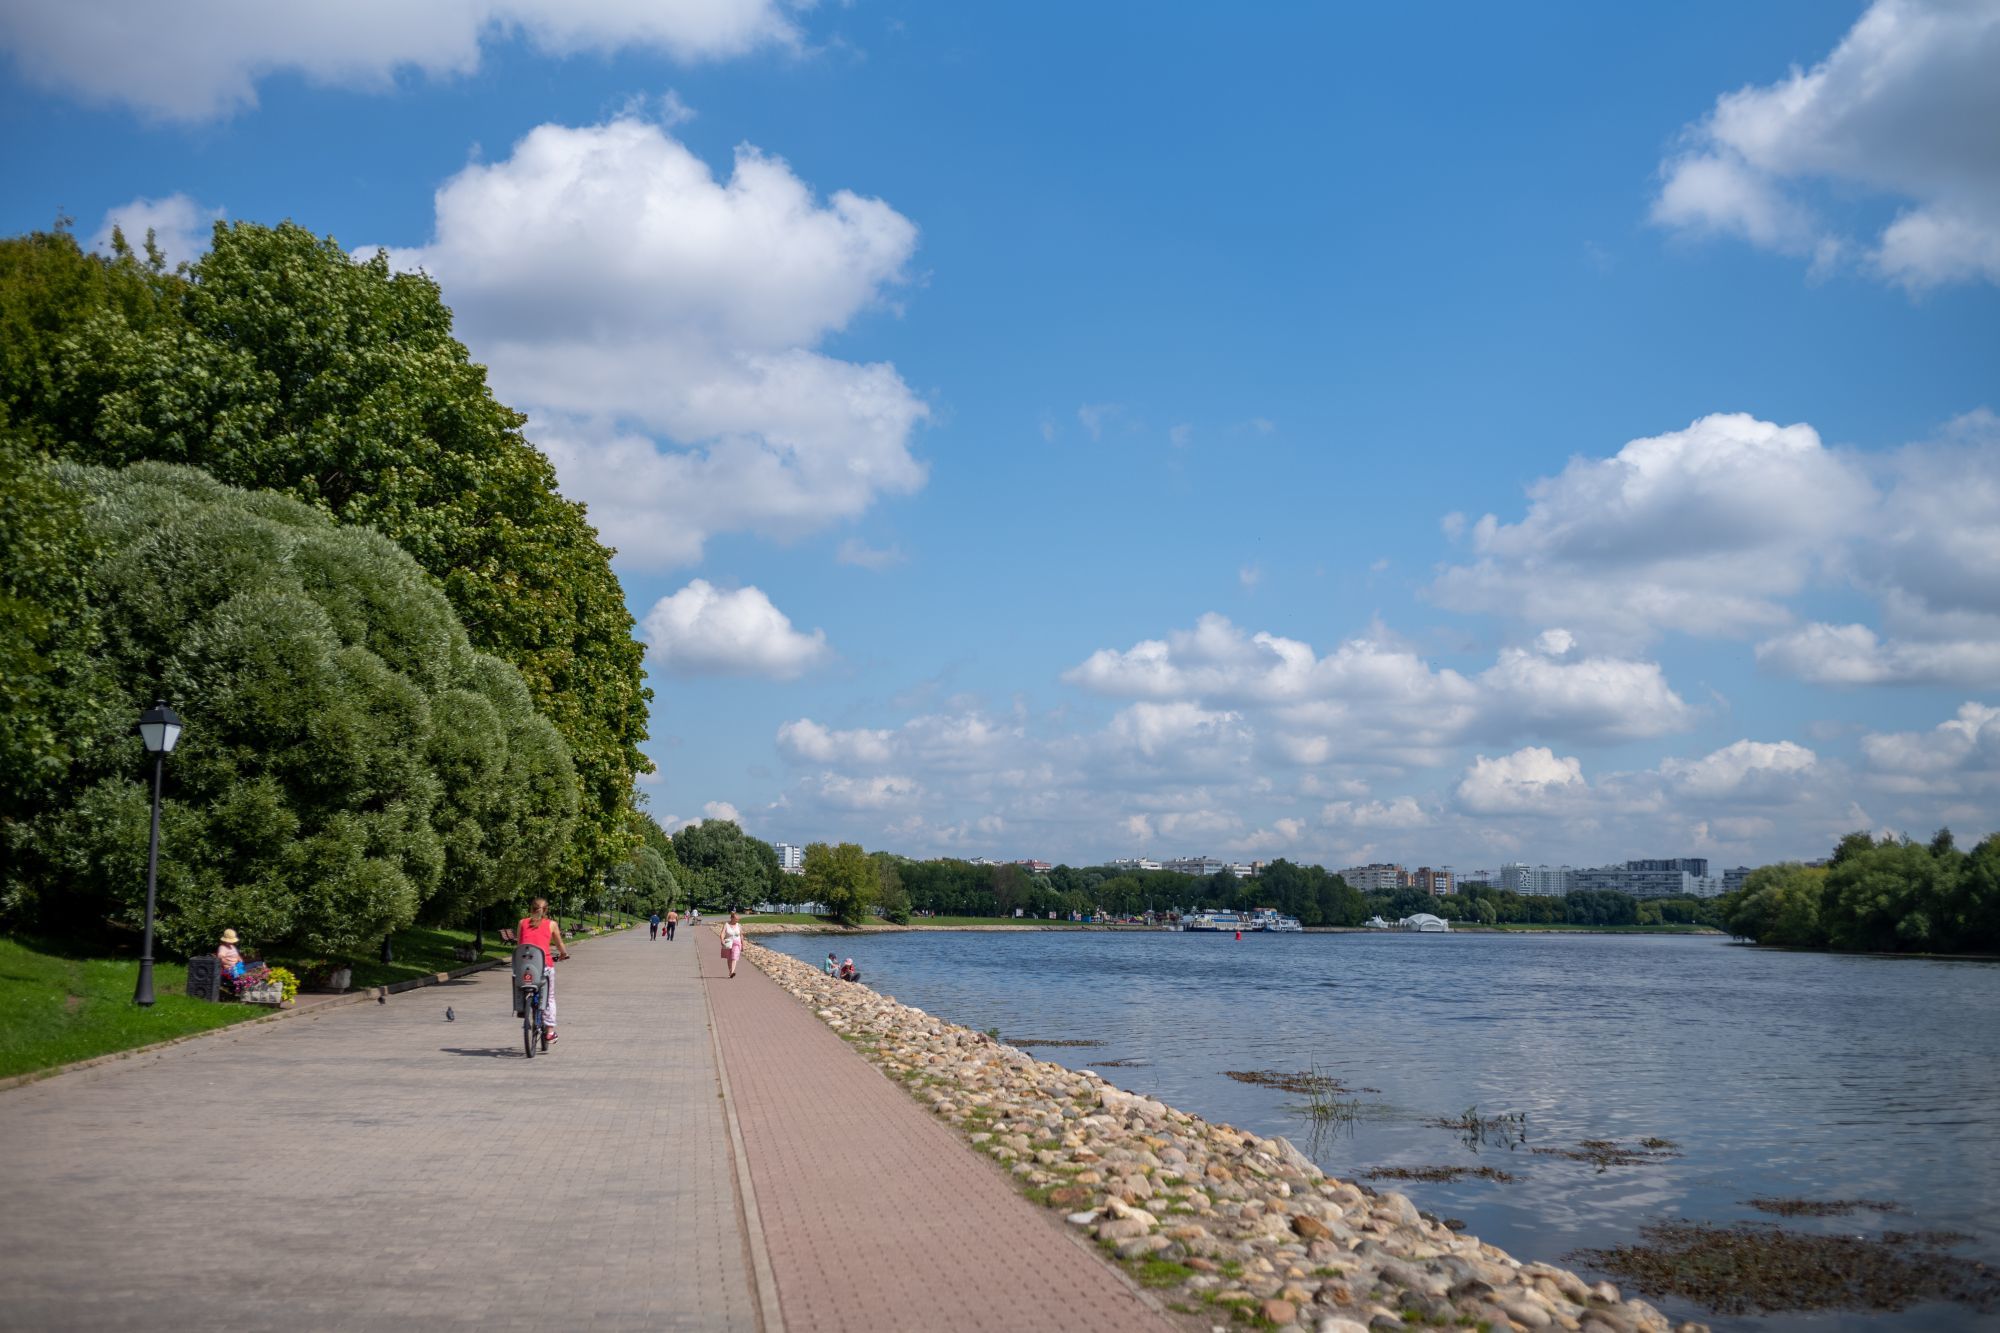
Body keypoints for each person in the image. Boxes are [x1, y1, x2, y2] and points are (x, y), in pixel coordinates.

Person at [516, 898, 570, 1042]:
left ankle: (522, 1007)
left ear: (531, 909)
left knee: (519, 983)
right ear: (546, 910)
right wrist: (564, 954)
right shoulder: (551, 924)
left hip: (523, 966)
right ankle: (550, 1032)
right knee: (549, 997)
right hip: (544, 966)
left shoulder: (522, 923)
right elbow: (559, 944)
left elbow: (520, 944)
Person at [719, 911, 745, 979]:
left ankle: (732, 972)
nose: (737, 920)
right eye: (736, 919)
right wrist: (722, 940)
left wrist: (743, 945)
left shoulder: (738, 925)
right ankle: (730, 972)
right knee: (729, 958)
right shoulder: (726, 924)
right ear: (732, 918)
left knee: (734, 957)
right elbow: (722, 933)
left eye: (738, 919)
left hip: (737, 943)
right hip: (728, 943)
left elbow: (741, 935)